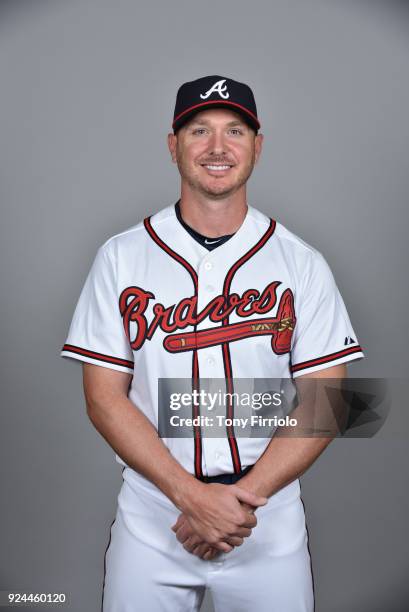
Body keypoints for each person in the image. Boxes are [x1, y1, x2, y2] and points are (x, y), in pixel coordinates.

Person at [61, 75, 364, 612]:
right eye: (199, 130)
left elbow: (331, 398)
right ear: (173, 145)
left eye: (236, 131)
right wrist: (191, 497)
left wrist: (239, 505)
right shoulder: (122, 256)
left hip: (265, 518)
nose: (218, 148)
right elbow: (102, 397)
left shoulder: (300, 262)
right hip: (154, 513)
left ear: (257, 146)